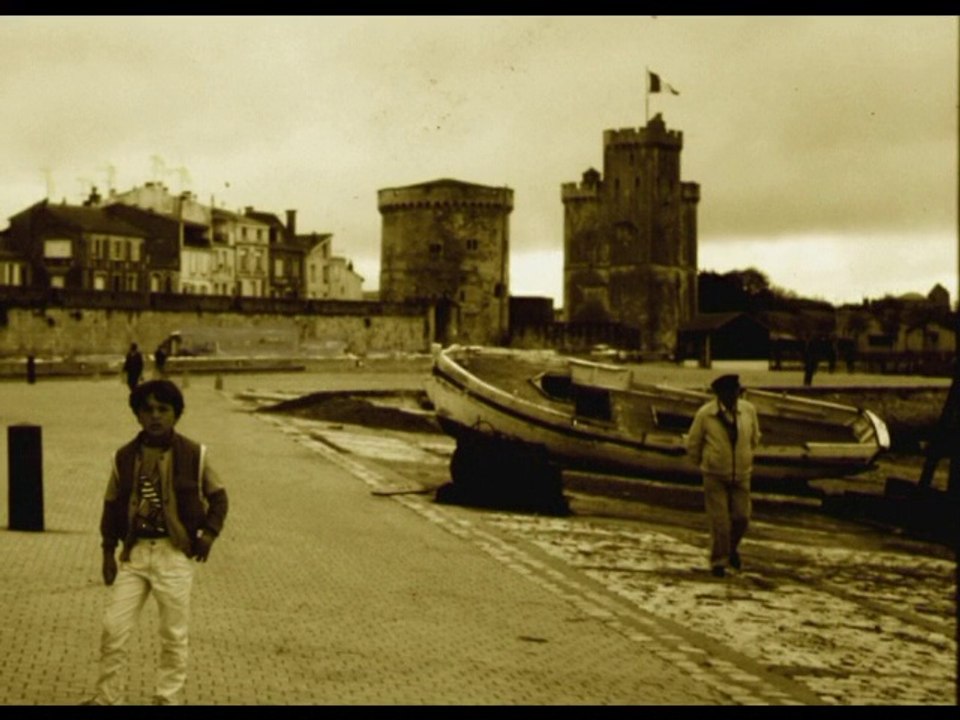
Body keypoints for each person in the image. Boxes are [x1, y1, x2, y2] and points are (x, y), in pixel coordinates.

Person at [84, 379, 228, 705]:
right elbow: (110, 507)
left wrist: (208, 534)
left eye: (163, 409)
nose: (155, 416)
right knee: (113, 630)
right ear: (137, 415)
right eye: (147, 409)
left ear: (176, 414)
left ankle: (167, 699)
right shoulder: (123, 458)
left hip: (173, 555)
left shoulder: (195, 454)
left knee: (173, 636)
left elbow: (219, 498)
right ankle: (107, 699)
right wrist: (108, 553)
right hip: (134, 555)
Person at [686, 374, 761, 578]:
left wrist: (746, 457)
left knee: (742, 518)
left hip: (742, 474)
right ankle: (719, 562)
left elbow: (754, 438)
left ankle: (730, 549)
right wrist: (704, 463)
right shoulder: (706, 414)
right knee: (720, 522)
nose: (735, 394)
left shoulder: (748, 411)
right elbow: (694, 443)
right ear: (721, 394)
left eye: (737, 390)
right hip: (715, 474)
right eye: (731, 391)